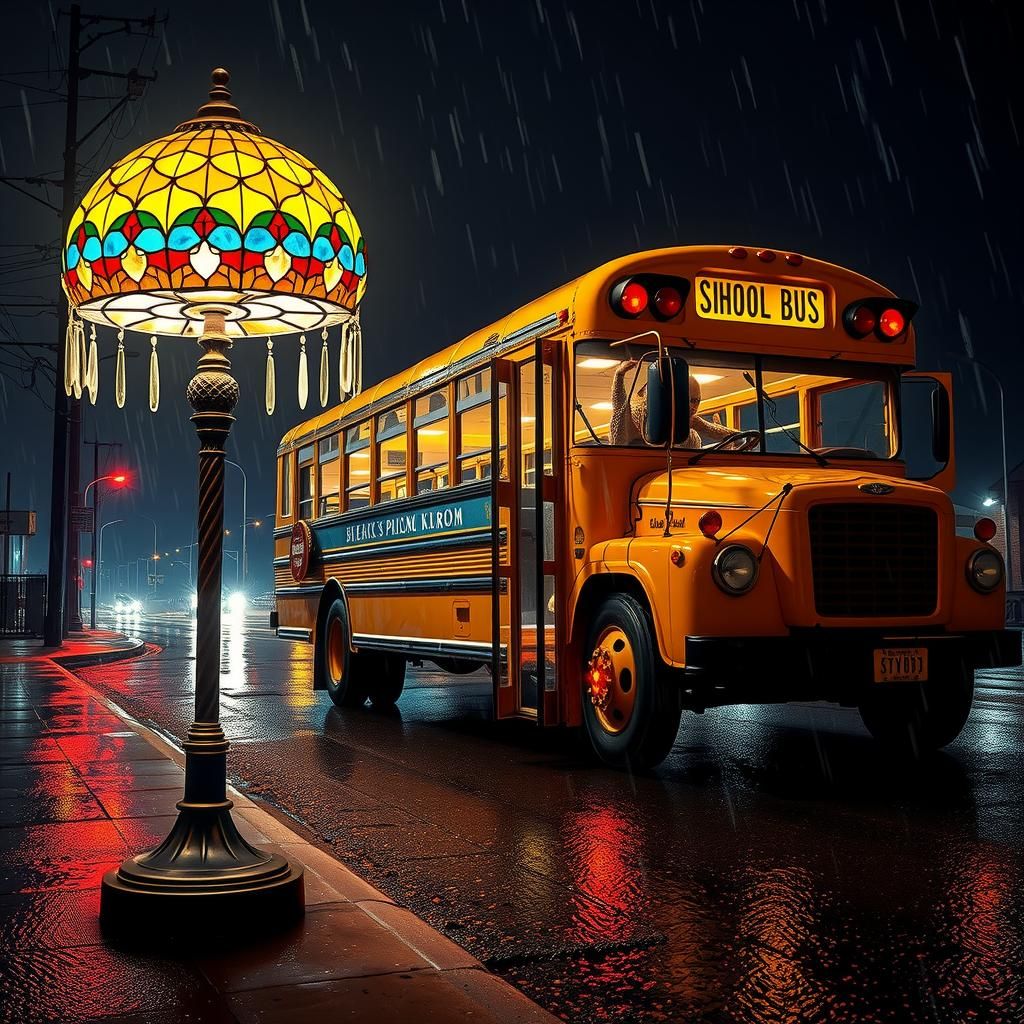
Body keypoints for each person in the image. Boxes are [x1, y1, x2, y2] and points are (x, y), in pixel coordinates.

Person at [609, 359, 736, 448]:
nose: (693, 407)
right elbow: (620, 407)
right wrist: (619, 375)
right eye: (689, 401)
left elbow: (713, 434)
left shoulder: (690, 429)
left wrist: (732, 442)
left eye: (697, 401)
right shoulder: (636, 413)